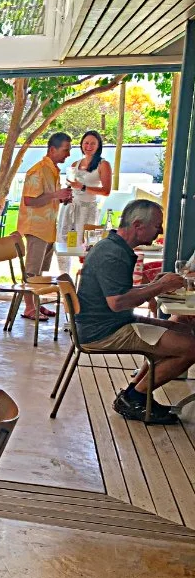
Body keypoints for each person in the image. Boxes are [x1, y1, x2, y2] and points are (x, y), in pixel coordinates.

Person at [75, 199, 195, 424]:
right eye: (157, 225)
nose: (160, 231)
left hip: (109, 323)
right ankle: (135, 397)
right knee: (190, 348)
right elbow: (118, 302)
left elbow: (118, 294)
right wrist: (158, 287)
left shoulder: (114, 246)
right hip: (103, 331)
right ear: (138, 225)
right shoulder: (113, 254)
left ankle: (136, 395)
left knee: (182, 330)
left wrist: (153, 286)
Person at [18, 132, 74, 319]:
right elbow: (29, 201)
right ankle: (29, 308)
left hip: (48, 228)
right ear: (52, 149)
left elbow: (48, 199)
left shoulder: (53, 170)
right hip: (36, 228)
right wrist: (55, 195)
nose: (68, 154)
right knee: (32, 271)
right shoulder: (38, 170)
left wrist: (61, 198)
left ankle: (36, 303)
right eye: (66, 150)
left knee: (41, 271)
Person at [57, 130, 112, 274]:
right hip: (70, 208)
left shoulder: (103, 164)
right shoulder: (75, 164)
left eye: (93, 143)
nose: (89, 146)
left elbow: (106, 191)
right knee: (64, 244)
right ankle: (65, 281)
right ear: (81, 144)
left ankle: (86, 281)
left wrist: (83, 187)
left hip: (87, 209)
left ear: (98, 145)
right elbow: (71, 186)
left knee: (87, 246)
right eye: (86, 143)